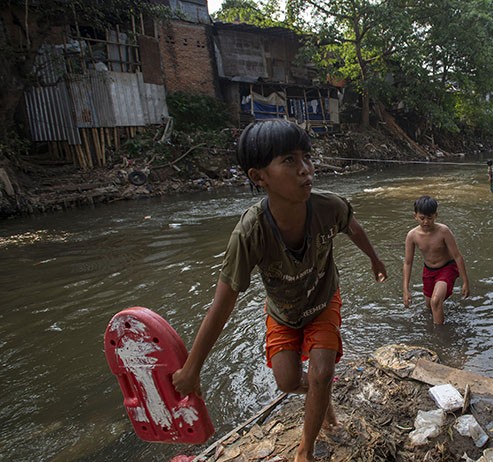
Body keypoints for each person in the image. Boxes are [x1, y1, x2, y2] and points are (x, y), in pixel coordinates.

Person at [172, 119, 387, 462]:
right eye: (289, 160)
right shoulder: (250, 234)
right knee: (287, 382)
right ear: (259, 177)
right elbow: (222, 305)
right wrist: (192, 368)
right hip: (283, 311)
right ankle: (322, 398)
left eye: (307, 157)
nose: (305, 169)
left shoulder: (328, 207)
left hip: (322, 300)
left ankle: (305, 450)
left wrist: (375, 260)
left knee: (322, 371)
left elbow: (353, 227)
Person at [402, 195, 470, 324]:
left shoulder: (443, 231)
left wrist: (465, 282)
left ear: (436, 216)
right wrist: (405, 289)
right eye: (422, 218)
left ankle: (439, 335)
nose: (426, 222)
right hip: (429, 271)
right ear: (415, 216)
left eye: (430, 218)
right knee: (429, 306)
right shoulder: (412, 235)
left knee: (435, 301)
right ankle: (436, 323)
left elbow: (457, 256)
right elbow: (408, 262)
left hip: (447, 268)